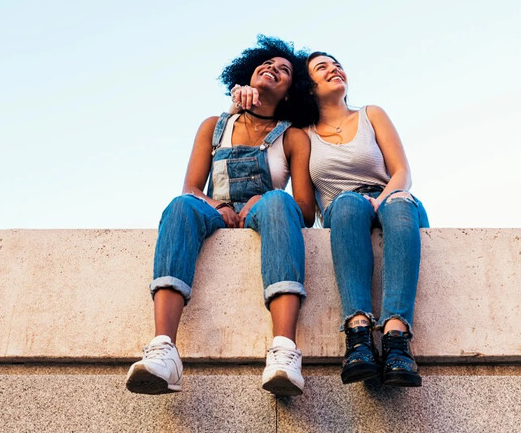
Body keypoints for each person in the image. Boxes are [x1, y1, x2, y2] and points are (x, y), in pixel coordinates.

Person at [126, 36, 317, 397]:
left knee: (279, 201)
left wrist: (263, 197)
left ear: (291, 92)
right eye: (266, 63)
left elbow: (305, 210)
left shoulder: (293, 137)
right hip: (215, 209)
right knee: (180, 206)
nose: (272, 68)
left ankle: (284, 351)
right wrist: (218, 207)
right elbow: (191, 188)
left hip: (265, 210)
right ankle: (164, 349)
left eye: (284, 70)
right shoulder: (215, 125)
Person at [232, 50, 428, 387]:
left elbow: (402, 173)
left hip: (390, 197)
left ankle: (396, 339)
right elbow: (255, 126)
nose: (334, 69)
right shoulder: (301, 134)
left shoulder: (371, 114)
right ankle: (358, 334)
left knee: (398, 204)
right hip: (342, 208)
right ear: (308, 86)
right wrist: (239, 100)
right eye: (322, 67)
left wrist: (380, 200)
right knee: (349, 203)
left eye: (337, 65)